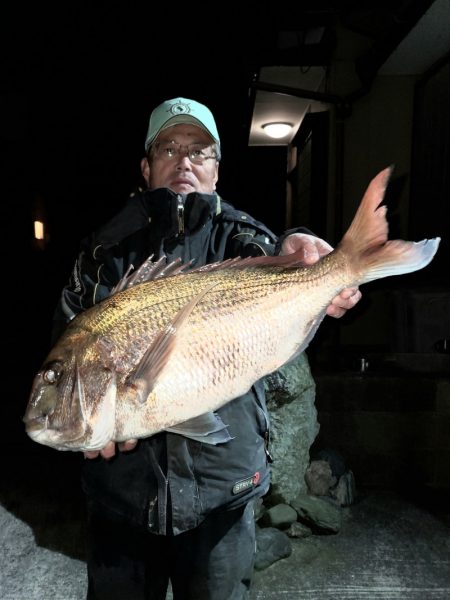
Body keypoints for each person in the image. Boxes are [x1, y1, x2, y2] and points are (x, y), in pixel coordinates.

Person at [53, 97, 361, 600]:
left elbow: (278, 257)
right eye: (169, 147)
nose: (185, 160)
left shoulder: (242, 238)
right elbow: (67, 347)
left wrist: (307, 249)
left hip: (224, 495)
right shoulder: (103, 254)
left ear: (217, 170)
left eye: (200, 150)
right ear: (146, 166)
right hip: (122, 499)